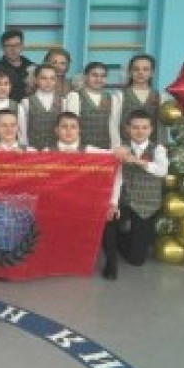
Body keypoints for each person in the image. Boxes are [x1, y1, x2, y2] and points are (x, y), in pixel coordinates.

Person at [47, 113, 121, 280]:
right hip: (58, 204)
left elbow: (116, 165)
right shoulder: (45, 152)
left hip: (85, 204)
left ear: (79, 130)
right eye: (64, 127)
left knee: (108, 217)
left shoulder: (91, 151)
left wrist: (113, 202)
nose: (68, 131)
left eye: (73, 127)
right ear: (56, 130)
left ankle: (111, 262)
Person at [112, 110, 168, 267]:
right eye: (135, 127)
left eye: (144, 127)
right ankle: (119, 238)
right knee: (109, 228)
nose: (140, 131)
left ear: (151, 129)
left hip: (147, 205)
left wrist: (137, 161)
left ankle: (133, 240)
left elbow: (162, 171)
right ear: (128, 129)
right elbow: (116, 177)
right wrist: (114, 203)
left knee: (136, 260)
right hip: (125, 202)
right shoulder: (121, 148)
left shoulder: (158, 149)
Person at [64, 62, 122, 150]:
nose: (99, 79)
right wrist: (71, 147)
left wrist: (116, 147)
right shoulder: (75, 96)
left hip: (105, 148)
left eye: (103, 76)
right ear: (85, 77)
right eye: (94, 75)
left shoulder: (112, 99)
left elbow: (113, 126)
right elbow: (71, 126)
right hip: (81, 149)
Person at [117, 54, 163, 143]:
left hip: (152, 146)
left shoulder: (160, 97)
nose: (140, 73)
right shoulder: (119, 96)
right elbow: (113, 124)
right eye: (136, 69)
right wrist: (117, 145)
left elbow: (161, 127)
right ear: (130, 72)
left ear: (152, 73)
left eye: (145, 69)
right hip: (125, 146)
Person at [17, 63, 62, 150]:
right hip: (33, 150)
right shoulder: (26, 102)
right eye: (44, 78)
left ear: (56, 80)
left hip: (55, 151)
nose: (48, 82)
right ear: (36, 80)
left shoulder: (63, 101)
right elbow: (22, 130)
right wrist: (25, 148)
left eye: (52, 78)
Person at [0, 29, 35, 102]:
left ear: (22, 46)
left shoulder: (32, 67)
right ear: (2, 48)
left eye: (17, 45)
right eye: (9, 46)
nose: (13, 49)